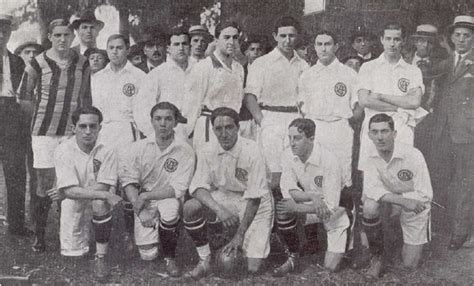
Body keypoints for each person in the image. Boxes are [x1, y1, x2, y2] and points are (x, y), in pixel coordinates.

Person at [18, 18, 92, 252]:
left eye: (66, 35)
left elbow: (86, 97)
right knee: (44, 182)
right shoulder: (37, 63)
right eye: (57, 35)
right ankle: (40, 236)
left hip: (71, 132)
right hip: (44, 133)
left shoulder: (82, 62)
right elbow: (25, 97)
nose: (62, 39)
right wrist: (40, 121)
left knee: (71, 181)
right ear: (50, 36)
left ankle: (69, 234)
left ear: (72, 37)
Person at [183, 107, 273, 278]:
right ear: (213, 130)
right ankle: (205, 259)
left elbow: (255, 198)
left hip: (256, 201)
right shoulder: (207, 149)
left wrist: (240, 235)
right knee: (190, 207)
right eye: (218, 128)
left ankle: (235, 238)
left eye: (229, 127)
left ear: (238, 128)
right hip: (226, 196)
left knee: (252, 267)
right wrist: (219, 209)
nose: (224, 133)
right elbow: (198, 187)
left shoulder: (252, 150)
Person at [119, 102, 195, 277]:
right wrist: (141, 211)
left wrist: (146, 196)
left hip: (167, 196)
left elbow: (179, 188)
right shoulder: (138, 147)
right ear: (151, 121)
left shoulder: (185, 150)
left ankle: (170, 257)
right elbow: (128, 180)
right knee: (148, 255)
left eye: (168, 119)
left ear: (176, 122)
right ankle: (150, 236)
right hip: (143, 200)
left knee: (169, 210)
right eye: (158, 119)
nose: (163, 124)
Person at [273, 118, 350, 275]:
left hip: (337, 209)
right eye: (290, 138)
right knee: (283, 209)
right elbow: (290, 190)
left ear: (312, 139)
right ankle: (293, 255)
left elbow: (330, 207)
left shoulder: (329, 160)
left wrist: (298, 207)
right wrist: (313, 197)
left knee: (330, 268)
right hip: (314, 202)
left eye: (298, 138)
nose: (292, 143)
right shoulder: (287, 155)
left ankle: (350, 238)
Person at [54, 106, 123, 280]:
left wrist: (72, 192)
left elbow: (103, 187)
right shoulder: (63, 149)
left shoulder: (108, 150)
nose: (88, 131)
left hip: (92, 196)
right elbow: (69, 191)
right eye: (83, 126)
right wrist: (70, 193)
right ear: (73, 128)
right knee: (73, 255)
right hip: (73, 200)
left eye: (93, 126)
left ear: (100, 127)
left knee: (99, 203)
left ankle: (101, 256)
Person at [244, 16, 309, 196]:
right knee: (272, 175)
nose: (287, 40)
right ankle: (268, 218)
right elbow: (250, 97)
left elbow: (306, 99)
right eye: (283, 36)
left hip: (295, 120)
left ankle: (288, 219)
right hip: (270, 119)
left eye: (292, 36)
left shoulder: (304, 65)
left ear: (298, 37)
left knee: (293, 173)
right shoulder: (261, 63)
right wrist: (263, 122)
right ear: (275, 36)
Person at [361, 113, 432, 278]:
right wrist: (400, 200)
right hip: (396, 202)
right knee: (370, 206)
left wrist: (403, 202)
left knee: (409, 265)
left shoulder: (413, 155)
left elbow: (425, 194)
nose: (380, 137)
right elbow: (371, 190)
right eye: (375, 132)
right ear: (369, 135)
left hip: (414, 205)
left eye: (385, 131)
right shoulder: (370, 155)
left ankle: (394, 236)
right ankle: (377, 256)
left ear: (394, 134)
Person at [356, 23, 424, 173]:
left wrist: (380, 96)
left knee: (401, 174)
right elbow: (364, 100)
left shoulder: (413, 71)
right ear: (381, 40)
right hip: (374, 127)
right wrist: (399, 105)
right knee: (371, 177)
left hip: (401, 127)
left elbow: (414, 102)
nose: (392, 43)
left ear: (403, 41)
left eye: (397, 39)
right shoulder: (368, 67)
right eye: (388, 39)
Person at [298, 30, 360, 193]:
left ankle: (344, 212)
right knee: (316, 172)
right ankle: (316, 214)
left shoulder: (349, 74)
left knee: (341, 174)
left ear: (336, 47)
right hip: (316, 129)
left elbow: (357, 106)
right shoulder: (307, 75)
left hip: (339, 128)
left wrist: (346, 122)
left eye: (328, 44)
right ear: (315, 47)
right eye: (319, 44)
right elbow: (302, 106)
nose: (323, 49)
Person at [431, 15, 474, 250]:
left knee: (466, 183)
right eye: (457, 35)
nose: (461, 39)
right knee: (442, 179)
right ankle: (442, 228)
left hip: (468, 133)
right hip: (443, 131)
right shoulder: (446, 62)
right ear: (451, 37)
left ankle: (461, 233)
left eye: (466, 36)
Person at [183, 21, 245, 151]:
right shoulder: (203, 67)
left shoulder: (238, 68)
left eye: (235, 38)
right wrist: (187, 136)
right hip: (209, 126)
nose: (231, 42)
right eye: (226, 37)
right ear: (216, 40)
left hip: (231, 127)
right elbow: (192, 105)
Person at [0, 14, 32, 236]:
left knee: (16, 170)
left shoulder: (17, 61)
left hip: (11, 115)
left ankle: (17, 225)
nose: (1, 35)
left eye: (5, 31)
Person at [91, 34, 145, 152]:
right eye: (111, 48)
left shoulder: (139, 76)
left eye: (119, 48)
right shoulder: (97, 77)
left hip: (127, 131)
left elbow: (143, 110)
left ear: (127, 50)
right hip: (103, 132)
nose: (115, 52)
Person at [135, 27, 191, 139]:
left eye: (184, 44)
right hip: (167, 136)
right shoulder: (157, 74)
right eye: (176, 44)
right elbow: (141, 110)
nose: (181, 48)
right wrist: (155, 135)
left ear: (189, 47)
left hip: (194, 135)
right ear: (168, 48)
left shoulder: (198, 71)